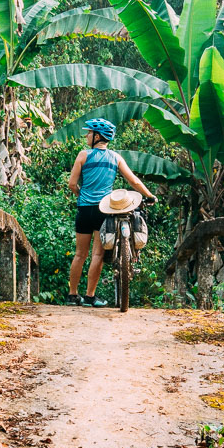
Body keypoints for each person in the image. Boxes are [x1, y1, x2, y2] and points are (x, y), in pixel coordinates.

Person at [65, 118, 157, 307]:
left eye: (89, 133)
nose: (87, 135)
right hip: (103, 211)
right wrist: (149, 195)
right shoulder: (115, 158)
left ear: (97, 136)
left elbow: (72, 184)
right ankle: (90, 296)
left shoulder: (83, 155)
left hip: (84, 210)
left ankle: (72, 296)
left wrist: (81, 195)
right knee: (97, 255)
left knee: (79, 254)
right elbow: (134, 181)